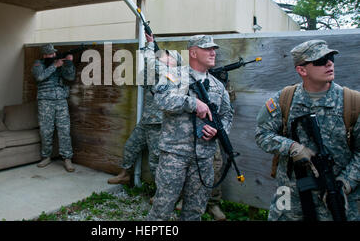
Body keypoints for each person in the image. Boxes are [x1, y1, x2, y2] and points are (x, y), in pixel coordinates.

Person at [255, 40, 359, 221]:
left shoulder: (352, 103)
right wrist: (292, 147)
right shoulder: (284, 99)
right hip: (290, 199)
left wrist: (345, 183)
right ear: (302, 70)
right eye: (320, 61)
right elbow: (262, 135)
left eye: (330, 57)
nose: (329, 63)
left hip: (335, 200)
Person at [147, 35, 234, 221]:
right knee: (162, 208)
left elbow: (227, 115)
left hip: (204, 158)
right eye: (207, 48)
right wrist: (192, 103)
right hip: (174, 155)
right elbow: (161, 100)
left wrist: (219, 131)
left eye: (214, 49)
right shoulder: (173, 76)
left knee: (195, 211)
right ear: (193, 52)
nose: (213, 52)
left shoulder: (218, 86)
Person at [108, 33, 181, 184]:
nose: (163, 56)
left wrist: (149, 46)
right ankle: (125, 174)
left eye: (168, 56)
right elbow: (142, 79)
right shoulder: (157, 73)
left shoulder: (172, 75)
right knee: (130, 146)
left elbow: (151, 63)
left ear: (175, 63)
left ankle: (161, 193)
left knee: (155, 159)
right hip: (147, 119)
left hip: (159, 123)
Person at [32, 43, 76, 172]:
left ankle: (67, 158)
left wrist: (68, 64)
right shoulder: (38, 64)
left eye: (54, 53)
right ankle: (46, 157)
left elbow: (70, 77)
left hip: (61, 100)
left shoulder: (59, 62)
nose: (53, 55)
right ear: (45, 55)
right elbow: (39, 77)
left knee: (64, 130)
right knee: (46, 130)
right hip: (45, 101)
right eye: (50, 54)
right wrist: (54, 66)